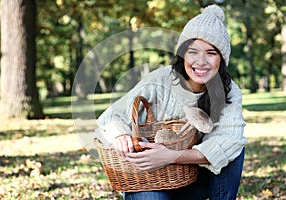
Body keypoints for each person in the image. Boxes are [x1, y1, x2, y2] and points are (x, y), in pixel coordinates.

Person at [97, 4, 247, 200]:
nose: (201, 61)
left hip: (191, 180)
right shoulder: (160, 80)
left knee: (233, 151)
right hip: (150, 179)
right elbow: (110, 117)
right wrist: (120, 135)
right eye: (193, 51)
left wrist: (171, 156)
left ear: (221, 59)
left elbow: (229, 140)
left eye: (211, 53)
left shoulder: (230, 91)